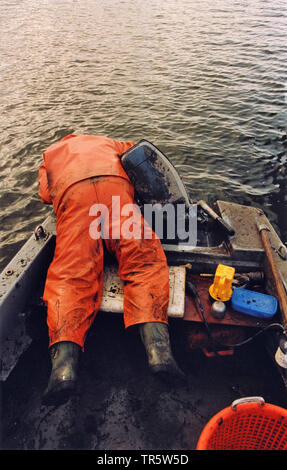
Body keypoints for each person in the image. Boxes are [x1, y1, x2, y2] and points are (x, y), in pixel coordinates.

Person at [38, 134, 185, 406]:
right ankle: (158, 350)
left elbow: (47, 195)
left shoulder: (51, 154)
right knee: (145, 262)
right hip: (115, 191)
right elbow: (142, 162)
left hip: (75, 196)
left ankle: (63, 368)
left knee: (71, 276)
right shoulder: (113, 143)